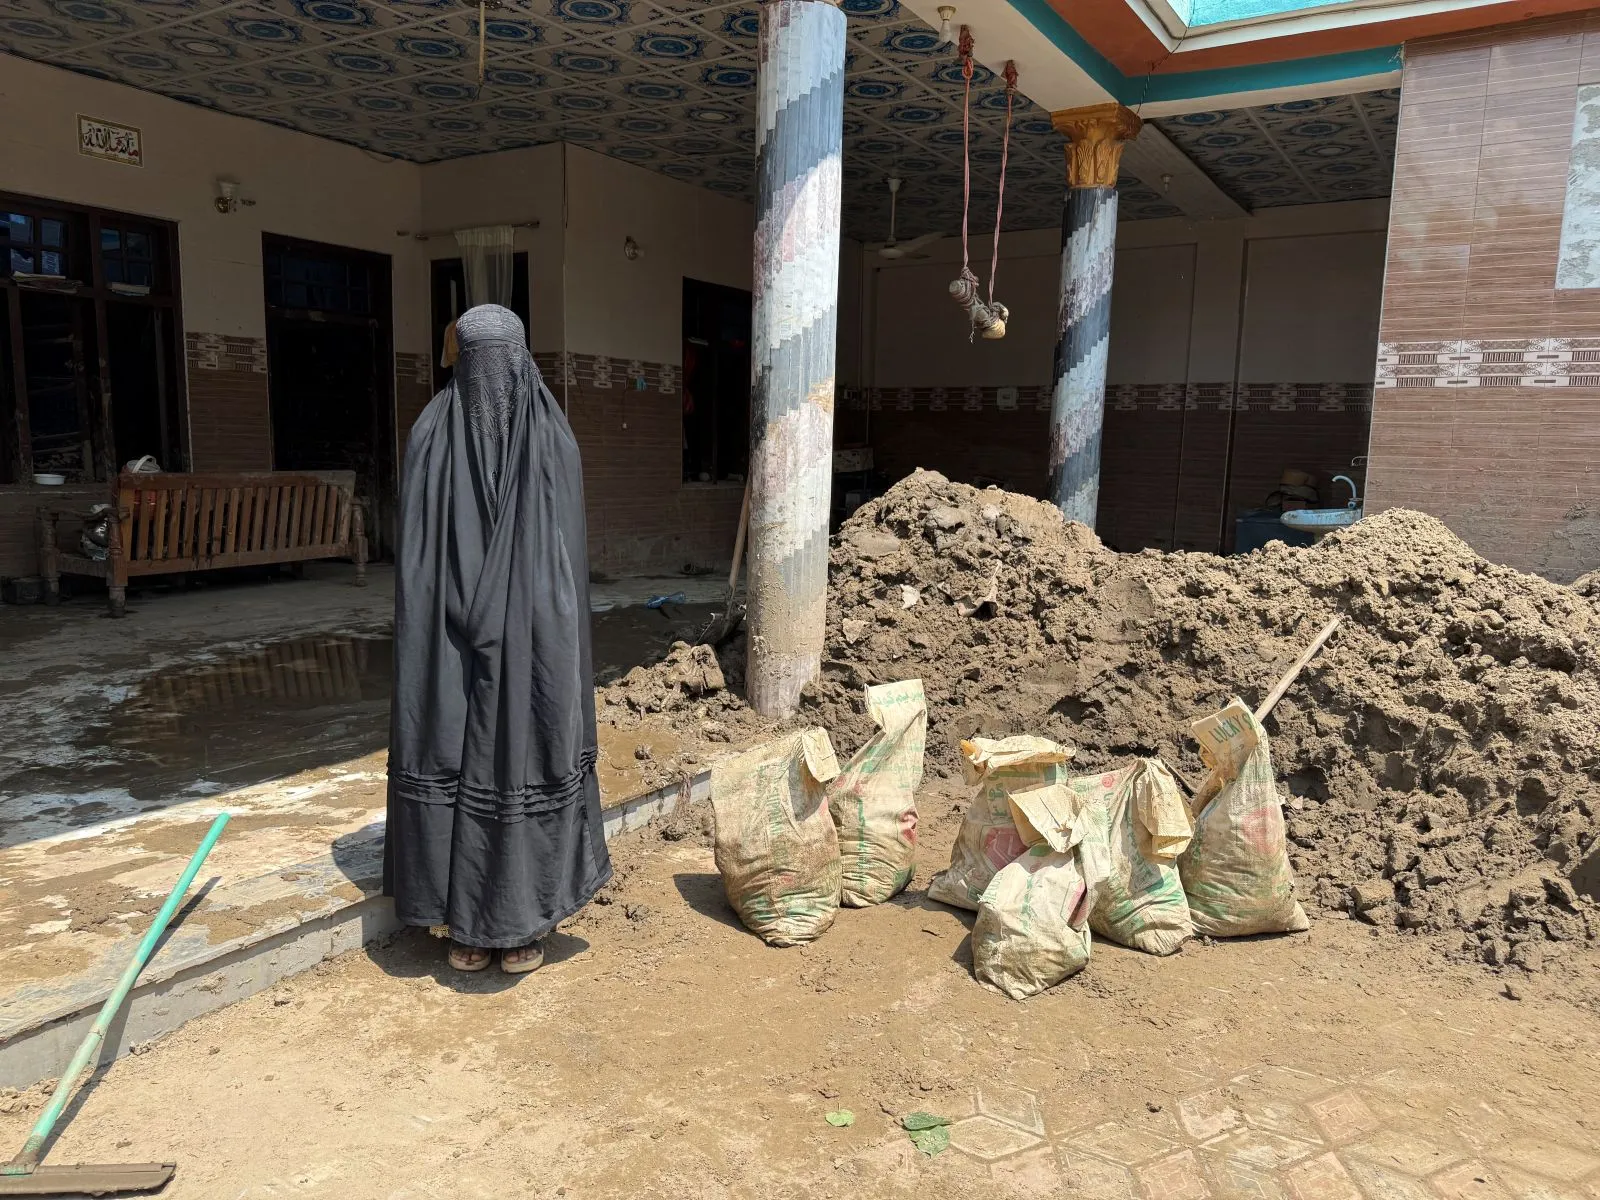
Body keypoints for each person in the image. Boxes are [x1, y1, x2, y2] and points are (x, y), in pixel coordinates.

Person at [385, 303, 611, 974]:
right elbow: (418, 565)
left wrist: (520, 617)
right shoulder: (431, 436)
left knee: (520, 749)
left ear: (516, 363)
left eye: (498, 364)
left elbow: (562, 560)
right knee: (454, 748)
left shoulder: (551, 441)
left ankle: (520, 922)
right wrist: (465, 610)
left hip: (530, 638)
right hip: (447, 639)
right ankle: (464, 922)